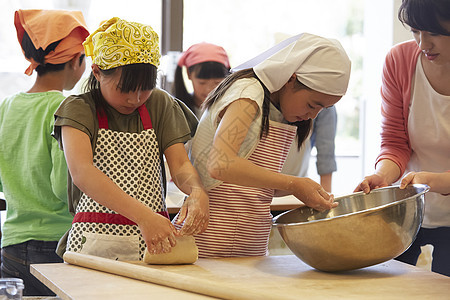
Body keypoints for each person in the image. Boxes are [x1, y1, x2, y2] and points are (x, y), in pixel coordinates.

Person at [178, 33, 351, 258]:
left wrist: (304, 191)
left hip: (250, 247)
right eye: (312, 105)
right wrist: (294, 183)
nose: (312, 116)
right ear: (291, 78)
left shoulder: (278, 112)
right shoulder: (247, 95)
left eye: (321, 110)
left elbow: (256, 187)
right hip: (208, 243)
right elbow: (220, 165)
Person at [52, 17, 209, 261]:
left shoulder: (160, 104)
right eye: (125, 89)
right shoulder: (78, 109)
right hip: (94, 246)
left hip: (153, 243)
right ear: (97, 72)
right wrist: (144, 217)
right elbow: (83, 173)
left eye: (145, 88)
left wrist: (197, 191)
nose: (135, 99)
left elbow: (179, 165)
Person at [354, 0, 450, 276]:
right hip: (411, 214)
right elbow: (395, 142)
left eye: (433, 32)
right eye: (415, 32)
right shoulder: (399, 61)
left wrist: (431, 180)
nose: (423, 44)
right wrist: (384, 175)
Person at [0, 9, 89, 296]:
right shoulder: (65, 108)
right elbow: (64, 186)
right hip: (56, 243)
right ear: (77, 60)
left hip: (11, 243)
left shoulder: (7, 105)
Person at [282, 106, 338, 192]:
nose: (313, 115)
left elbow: (325, 153)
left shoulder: (327, 109)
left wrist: (326, 195)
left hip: (297, 184)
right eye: (311, 106)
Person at [174, 42, 230, 118]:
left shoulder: (232, 108)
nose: (209, 89)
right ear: (188, 73)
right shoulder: (175, 110)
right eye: (202, 83)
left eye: (217, 83)